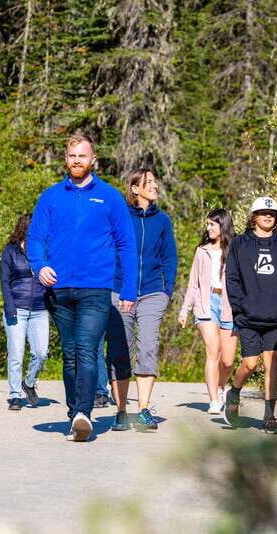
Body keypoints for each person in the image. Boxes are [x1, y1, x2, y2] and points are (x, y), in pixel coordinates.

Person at [26, 133, 137, 442]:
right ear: (66, 160)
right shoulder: (51, 197)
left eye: (82, 156)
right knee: (71, 353)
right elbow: (35, 238)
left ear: (93, 160)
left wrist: (128, 290)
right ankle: (74, 412)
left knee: (87, 349)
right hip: (59, 290)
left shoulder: (110, 197)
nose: (77, 160)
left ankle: (84, 413)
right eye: (72, 156)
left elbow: (126, 245)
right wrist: (40, 266)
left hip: (95, 288)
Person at [107, 168, 177, 431]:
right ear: (135, 188)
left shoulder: (163, 221)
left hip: (152, 292)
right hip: (118, 290)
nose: (155, 186)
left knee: (148, 344)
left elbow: (169, 257)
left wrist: (166, 290)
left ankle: (144, 410)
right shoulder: (121, 217)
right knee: (119, 349)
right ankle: (121, 411)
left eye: (155, 183)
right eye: (149, 183)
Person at [223, 197, 277, 433]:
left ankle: (269, 416)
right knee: (250, 364)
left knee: (272, 364)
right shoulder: (240, 244)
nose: (268, 216)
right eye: (263, 212)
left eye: (273, 213)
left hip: (274, 317)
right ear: (253, 216)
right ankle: (234, 391)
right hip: (248, 317)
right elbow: (231, 279)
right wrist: (241, 306)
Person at [179, 209, 237, 415]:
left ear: (223, 225)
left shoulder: (235, 249)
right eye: (207, 224)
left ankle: (221, 386)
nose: (208, 228)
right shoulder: (201, 251)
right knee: (213, 351)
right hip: (206, 303)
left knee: (228, 360)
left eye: (212, 224)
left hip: (230, 306)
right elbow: (193, 283)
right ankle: (213, 399)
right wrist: (185, 309)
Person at [0, 213, 49, 411]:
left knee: (41, 353)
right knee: (16, 353)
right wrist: (9, 305)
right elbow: (4, 281)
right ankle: (14, 396)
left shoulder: (44, 251)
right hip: (16, 309)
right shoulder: (10, 251)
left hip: (39, 309)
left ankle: (28, 383)